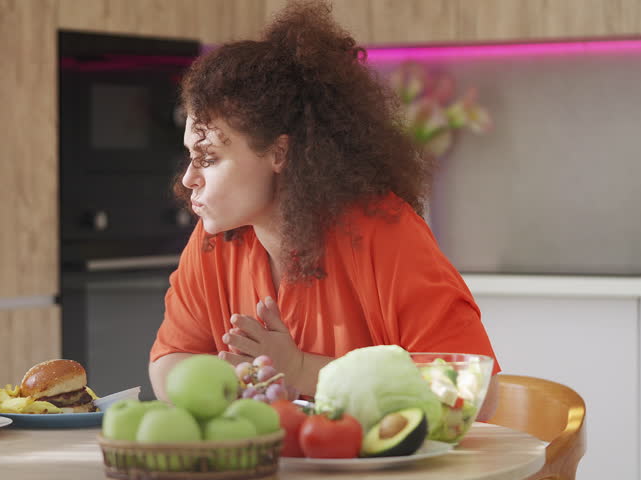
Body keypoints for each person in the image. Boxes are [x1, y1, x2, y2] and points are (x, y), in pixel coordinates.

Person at [149, 0, 500, 420]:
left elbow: (473, 395)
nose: (189, 179)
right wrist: (242, 386)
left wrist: (298, 369)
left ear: (279, 152)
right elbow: (169, 361)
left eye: (208, 158)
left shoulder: (383, 234)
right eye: (190, 156)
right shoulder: (213, 240)